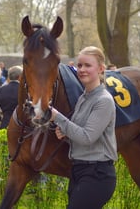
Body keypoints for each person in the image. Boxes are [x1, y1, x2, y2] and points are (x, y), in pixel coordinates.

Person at [50, 46, 117, 209]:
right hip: (79, 171)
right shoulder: (83, 97)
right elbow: (80, 131)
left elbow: (87, 137)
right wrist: (65, 133)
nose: (82, 69)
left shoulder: (104, 100)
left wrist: (57, 117)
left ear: (101, 69)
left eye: (87, 65)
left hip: (97, 175)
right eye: (79, 65)